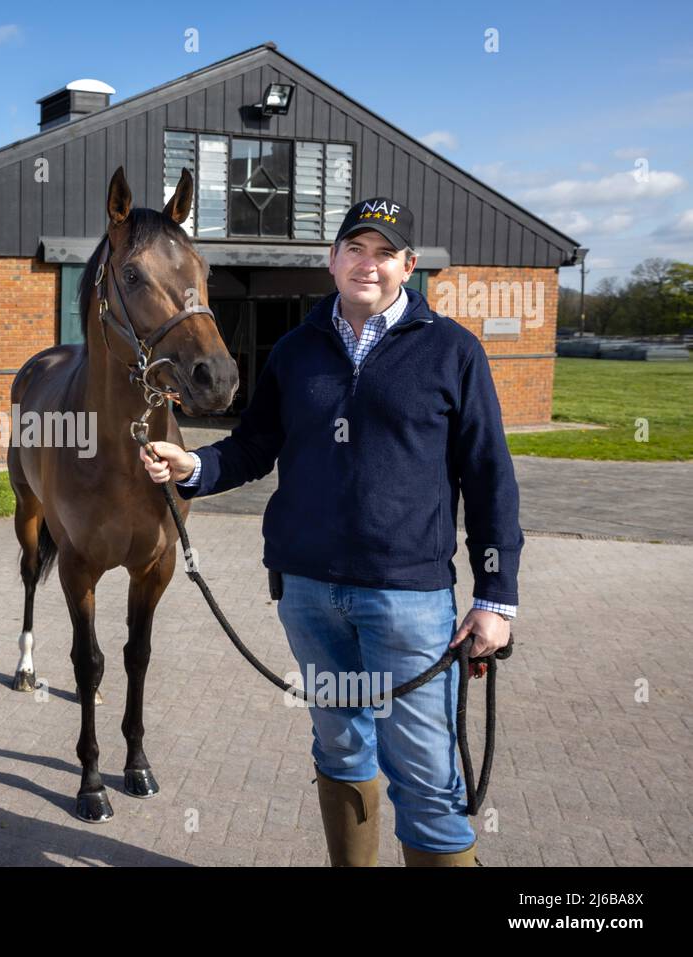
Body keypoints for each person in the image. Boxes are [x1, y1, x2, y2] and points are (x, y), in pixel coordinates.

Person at [140, 196, 521, 866]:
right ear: (332, 260)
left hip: (408, 602)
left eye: (382, 253)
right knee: (340, 748)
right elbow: (255, 445)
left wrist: (496, 598)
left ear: (407, 266)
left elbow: (489, 477)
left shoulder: (451, 351)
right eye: (354, 249)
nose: (366, 264)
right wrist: (193, 464)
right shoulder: (296, 349)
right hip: (310, 598)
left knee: (427, 778)